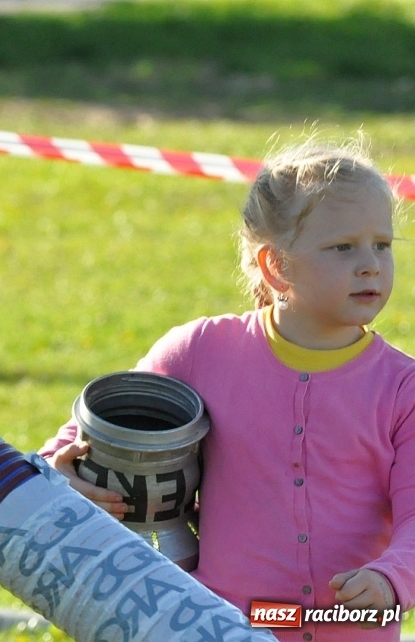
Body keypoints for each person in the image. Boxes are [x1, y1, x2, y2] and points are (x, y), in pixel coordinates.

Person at [41, 140, 415, 641]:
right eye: (343, 246)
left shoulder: (403, 388)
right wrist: (62, 472)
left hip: (352, 628)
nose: (370, 264)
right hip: (220, 624)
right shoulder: (200, 349)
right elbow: (77, 440)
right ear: (275, 266)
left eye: (382, 245)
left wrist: (393, 578)